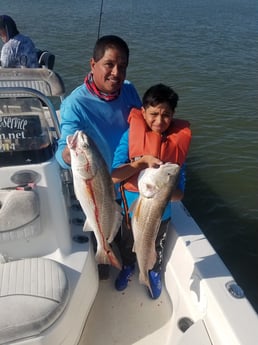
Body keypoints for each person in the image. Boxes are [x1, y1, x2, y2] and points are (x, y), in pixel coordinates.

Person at [111, 84, 192, 299]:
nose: (159, 120)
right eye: (154, 113)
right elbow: (114, 175)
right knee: (129, 243)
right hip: (131, 213)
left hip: (160, 216)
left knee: (155, 246)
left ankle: (151, 272)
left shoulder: (176, 149)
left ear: (173, 115)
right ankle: (129, 267)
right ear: (143, 111)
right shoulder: (130, 137)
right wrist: (140, 164)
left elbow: (179, 194)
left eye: (166, 115)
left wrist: (164, 190)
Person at [55, 35, 141, 171]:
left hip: (133, 179)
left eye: (122, 67)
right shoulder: (75, 104)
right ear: (93, 65)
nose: (116, 72)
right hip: (101, 184)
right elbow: (60, 157)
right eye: (109, 64)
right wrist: (68, 155)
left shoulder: (129, 89)